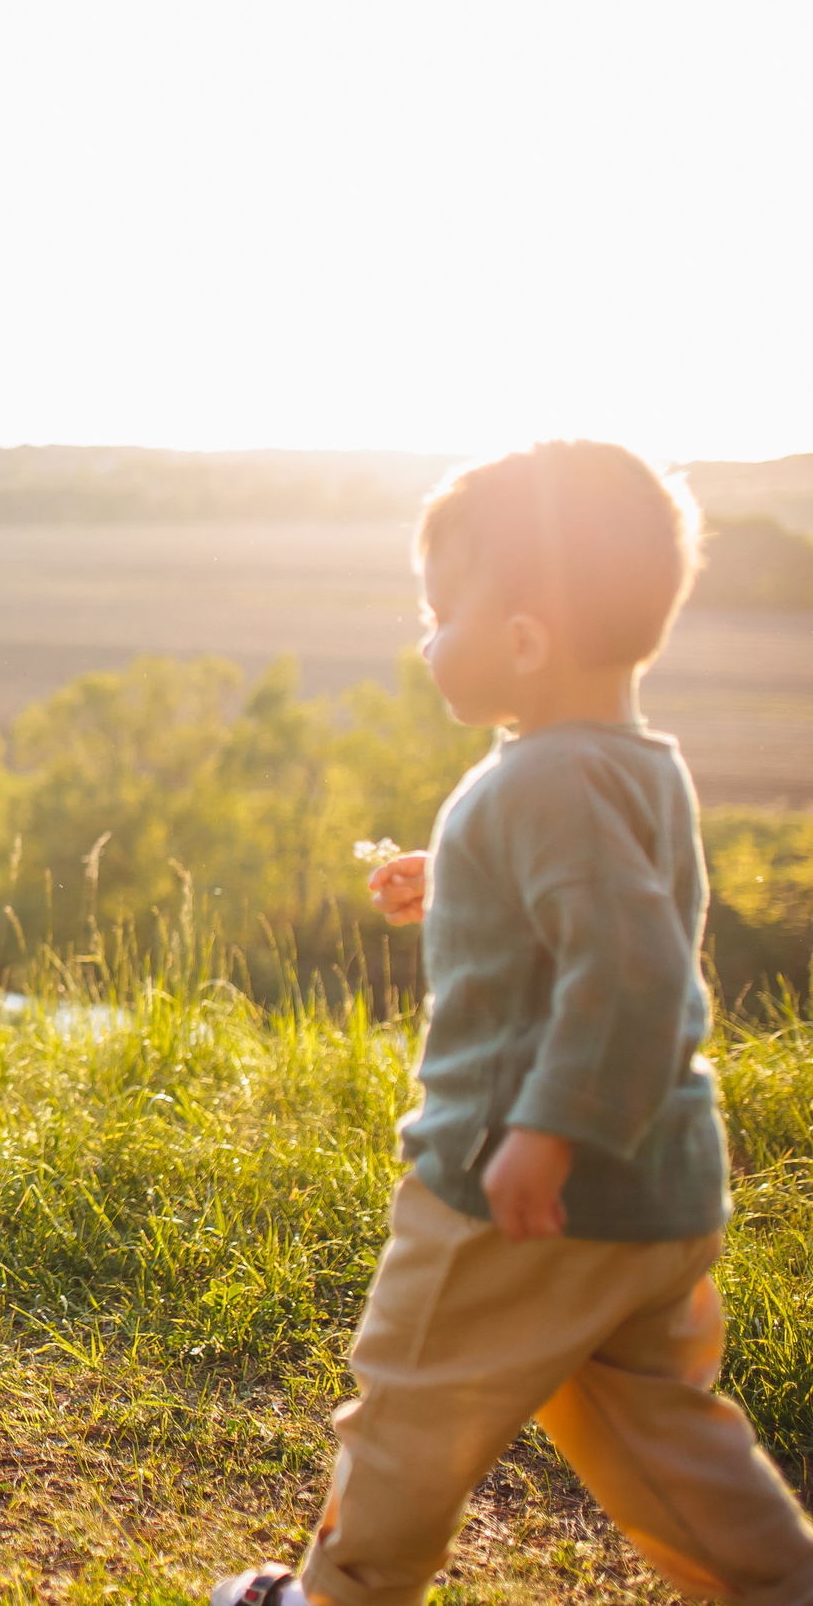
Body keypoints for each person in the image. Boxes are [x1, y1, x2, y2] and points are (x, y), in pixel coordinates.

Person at [215, 443, 813, 1606]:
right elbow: (589, 899)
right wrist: (459, 873)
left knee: (408, 1408)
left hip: (515, 1197)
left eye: (439, 615)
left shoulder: (539, 780)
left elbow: (633, 973)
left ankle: (335, 1596)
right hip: (655, 1203)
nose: (425, 638)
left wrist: (546, 1129)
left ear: (525, 643)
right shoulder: (636, 765)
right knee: (665, 1436)